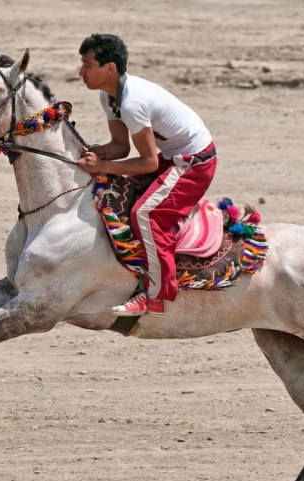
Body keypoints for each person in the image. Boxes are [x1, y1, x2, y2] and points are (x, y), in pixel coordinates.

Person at [77, 33, 217, 317]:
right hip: (170, 157)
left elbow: (148, 163)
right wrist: (96, 153)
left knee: (147, 214)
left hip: (194, 162)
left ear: (110, 68)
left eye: (87, 64)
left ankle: (155, 296)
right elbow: (119, 146)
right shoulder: (109, 96)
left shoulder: (131, 103)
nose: (81, 72)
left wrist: (101, 166)